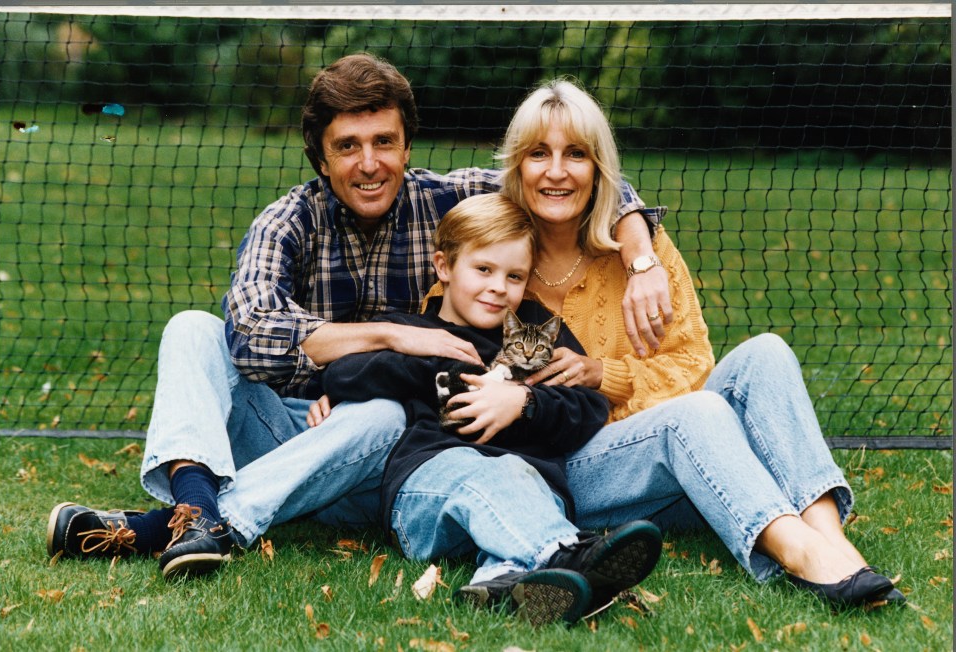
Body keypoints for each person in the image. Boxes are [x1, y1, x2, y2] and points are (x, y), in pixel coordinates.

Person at [45, 54, 665, 579]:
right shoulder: (288, 221)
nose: (370, 164)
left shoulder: (448, 199)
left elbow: (560, 179)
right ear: (320, 157)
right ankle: (197, 506)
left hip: (388, 447)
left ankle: (175, 526)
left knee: (380, 413)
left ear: (405, 145)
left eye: (384, 143)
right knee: (192, 328)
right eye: (348, 147)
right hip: (292, 426)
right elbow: (252, 335)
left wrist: (641, 257)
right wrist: (391, 333)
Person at [426, 78, 903, 609]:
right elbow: (444, 344)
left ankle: (836, 545)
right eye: (539, 153)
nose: (556, 171)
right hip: (572, 466)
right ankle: (804, 559)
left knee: (764, 352)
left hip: (683, 449)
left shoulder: (641, 252)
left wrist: (603, 372)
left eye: (576, 155)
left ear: (600, 169)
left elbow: (695, 365)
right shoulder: (493, 264)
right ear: (517, 167)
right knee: (694, 414)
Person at [318, 193, 662, 626]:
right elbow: (340, 375)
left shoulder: (536, 333)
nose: (499, 286)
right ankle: (571, 553)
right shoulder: (415, 334)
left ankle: (502, 586)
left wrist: (526, 403)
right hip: (430, 496)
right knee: (493, 471)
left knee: (516, 476)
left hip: (527, 495)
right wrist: (433, 364)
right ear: (444, 267)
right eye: (484, 269)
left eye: (515, 276)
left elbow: (587, 407)